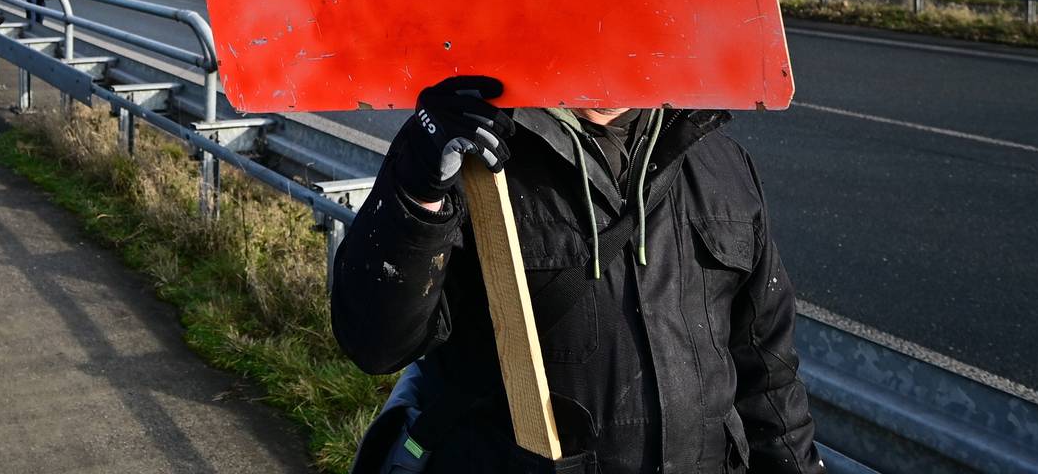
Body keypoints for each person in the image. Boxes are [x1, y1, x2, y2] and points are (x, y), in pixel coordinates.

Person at [330, 75, 822, 474]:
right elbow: (377, 343)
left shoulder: (719, 163)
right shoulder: (473, 154)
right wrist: (418, 191)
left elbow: (769, 379)